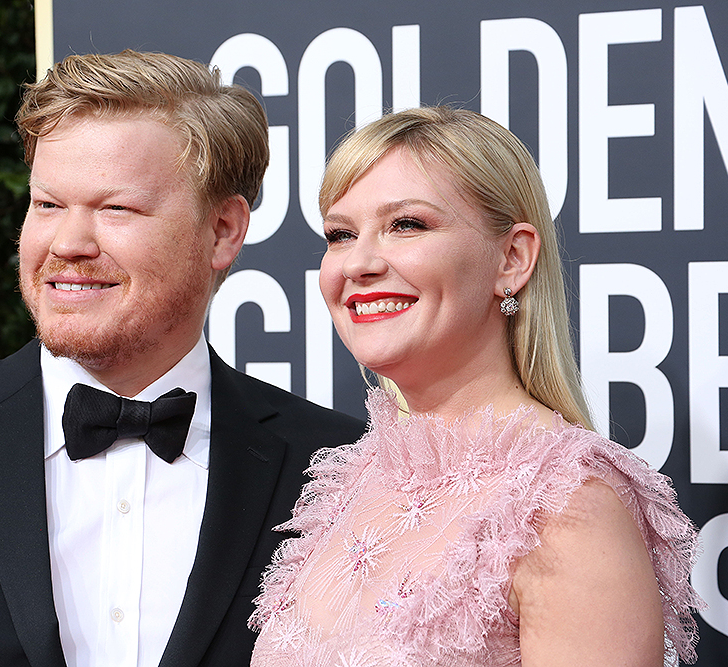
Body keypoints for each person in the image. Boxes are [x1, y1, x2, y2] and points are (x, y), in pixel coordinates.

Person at [0, 51, 365, 667]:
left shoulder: (339, 470)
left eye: (116, 209)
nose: (68, 244)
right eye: (48, 205)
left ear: (222, 231)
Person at [248, 106, 702, 667]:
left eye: (406, 224)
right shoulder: (352, 481)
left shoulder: (565, 504)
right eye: (340, 234)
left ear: (512, 260)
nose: (358, 263)